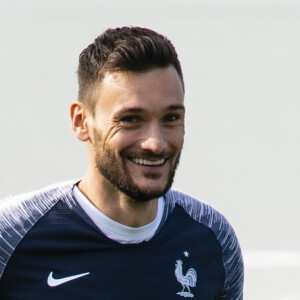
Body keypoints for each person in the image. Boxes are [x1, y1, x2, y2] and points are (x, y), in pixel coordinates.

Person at [0, 26, 243, 299]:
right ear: (81, 122)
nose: (156, 143)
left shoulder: (213, 240)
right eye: (130, 119)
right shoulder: (10, 237)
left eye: (171, 118)